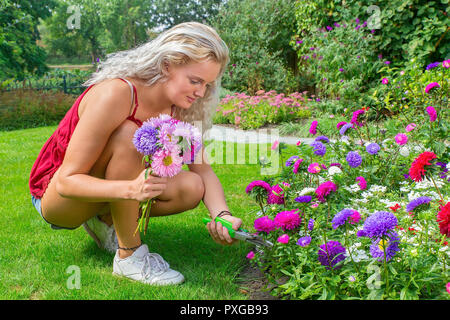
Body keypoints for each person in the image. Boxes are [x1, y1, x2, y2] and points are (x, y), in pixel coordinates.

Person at [29, 22, 242, 286]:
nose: (201, 92)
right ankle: (129, 257)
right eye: (195, 80)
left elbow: (203, 171)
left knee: (192, 186)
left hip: (105, 190)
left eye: (208, 85)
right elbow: (66, 181)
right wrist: (131, 190)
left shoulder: (183, 108)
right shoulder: (118, 93)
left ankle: (106, 220)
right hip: (57, 197)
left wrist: (222, 215)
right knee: (132, 134)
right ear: (167, 65)